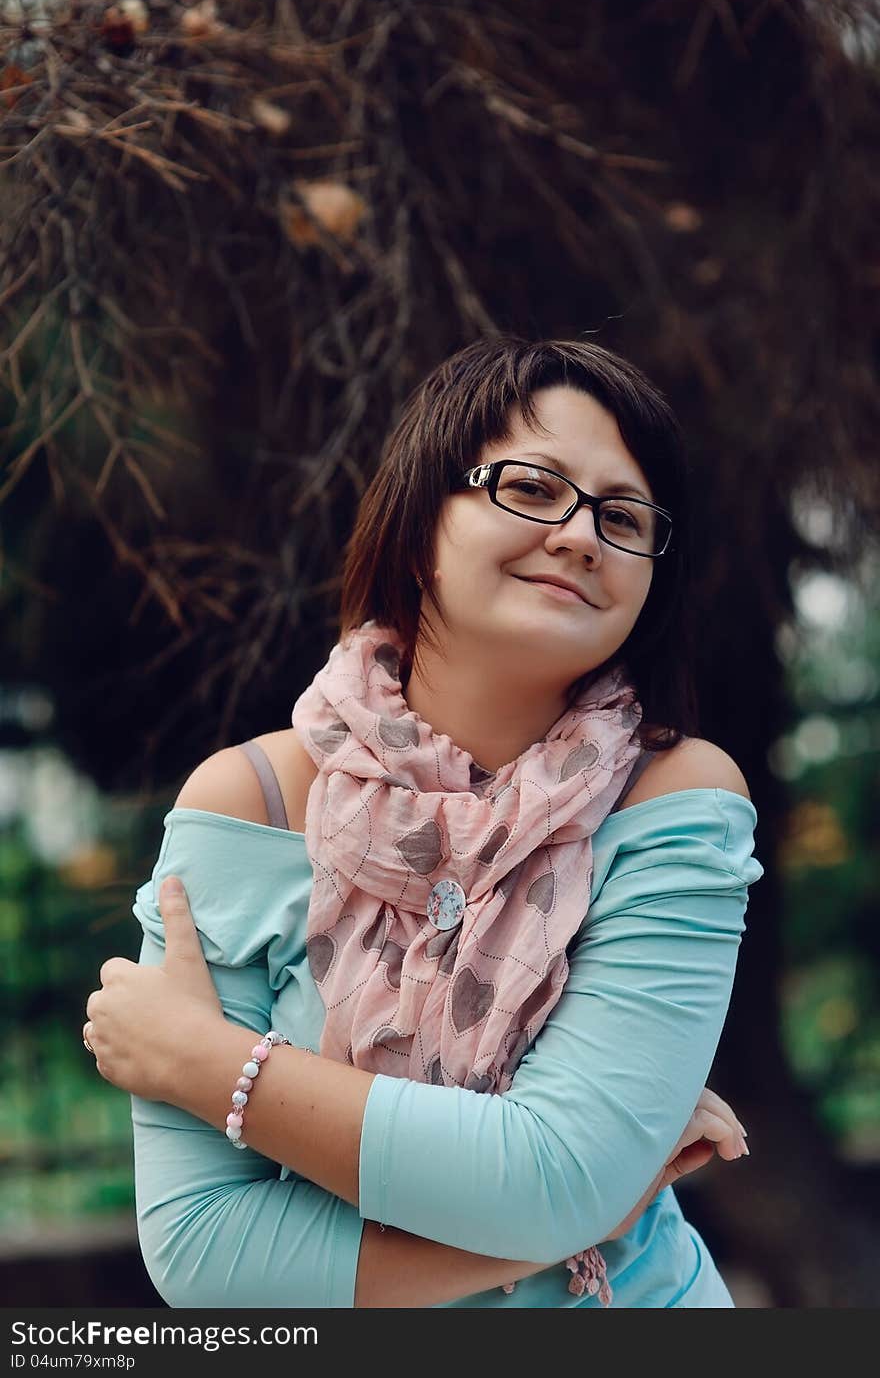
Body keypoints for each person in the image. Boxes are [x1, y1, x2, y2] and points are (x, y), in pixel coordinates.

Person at [84, 336, 763, 1308]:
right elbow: (205, 1257)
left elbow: (555, 1176)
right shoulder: (251, 805)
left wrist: (211, 1066)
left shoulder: (673, 799)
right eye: (531, 488)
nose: (580, 534)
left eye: (623, 516)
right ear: (416, 522)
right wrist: (575, 1215)